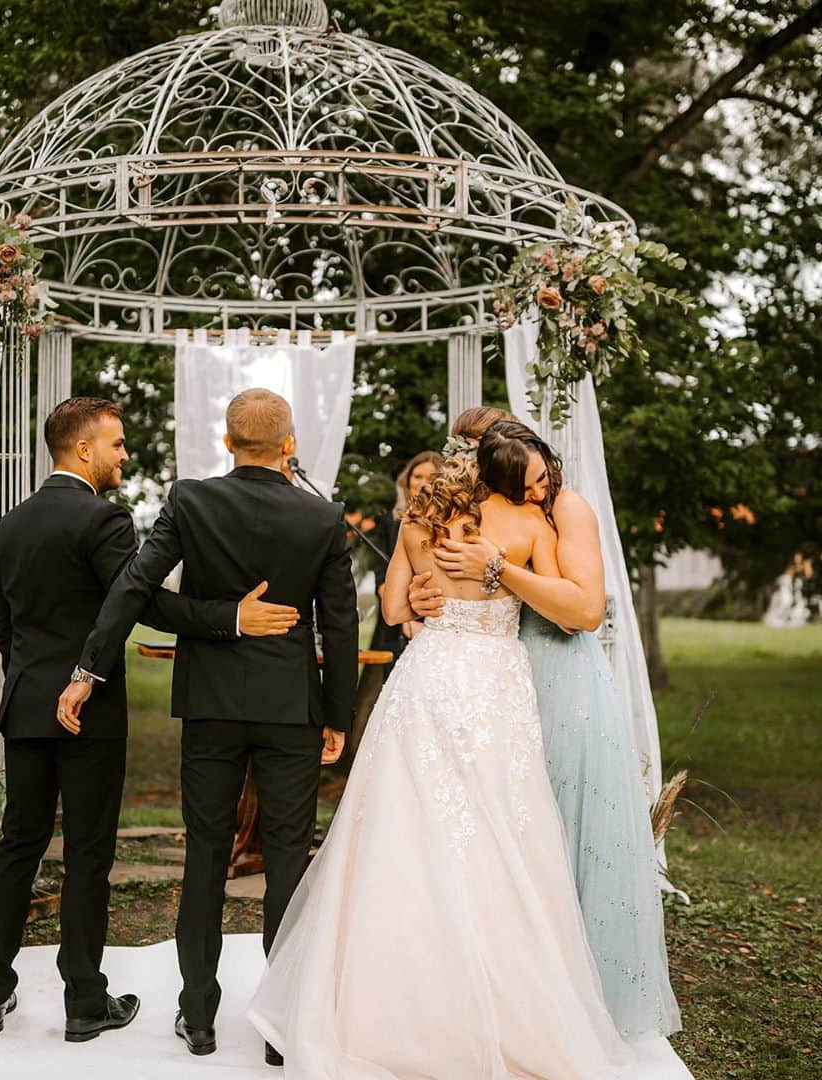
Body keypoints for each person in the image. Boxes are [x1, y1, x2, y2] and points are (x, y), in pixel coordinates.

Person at [248, 426, 693, 1079]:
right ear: (506, 479)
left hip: (426, 679)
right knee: (504, 836)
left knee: (399, 831)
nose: (542, 490)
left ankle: (376, 1007)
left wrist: (424, 596)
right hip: (495, 687)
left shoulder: (418, 523)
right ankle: (509, 1005)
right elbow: (573, 611)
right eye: (534, 481)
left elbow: (397, 606)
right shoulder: (532, 528)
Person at [0, 397, 300, 1042]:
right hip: (88, 711)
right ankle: (83, 1006)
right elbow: (143, 603)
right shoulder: (103, 520)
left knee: (19, 843)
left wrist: (37, 685)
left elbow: (8, 632)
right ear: (84, 449)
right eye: (117, 445)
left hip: (28, 704)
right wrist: (231, 617)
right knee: (89, 854)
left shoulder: (9, 525)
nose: (125, 456)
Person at [57, 388, 359, 1065]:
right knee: (287, 859)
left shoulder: (191, 501)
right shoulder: (320, 517)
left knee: (204, 855)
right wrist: (337, 715)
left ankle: (197, 1016)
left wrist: (88, 667)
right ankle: (282, 1027)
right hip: (290, 709)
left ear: (228, 443)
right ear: (288, 445)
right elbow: (340, 622)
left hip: (212, 705)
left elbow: (134, 585)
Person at [408, 408, 682, 1039]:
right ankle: (495, 997)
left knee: (557, 832)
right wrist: (425, 602)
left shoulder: (567, 509)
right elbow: (423, 593)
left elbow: (585, 609)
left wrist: (498, 570)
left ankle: (577, 1005)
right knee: (493, 841)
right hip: (492, 681)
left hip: (559, 680)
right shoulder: (472, 516)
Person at [370, 451, 444, 663]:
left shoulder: (447, 524)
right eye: (417, 476)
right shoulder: (390, 521)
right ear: (408, 480)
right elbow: (380, 574)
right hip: (396, 621)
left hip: (434, 618)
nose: (422, 483)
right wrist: (403, 613)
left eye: (430, 477)